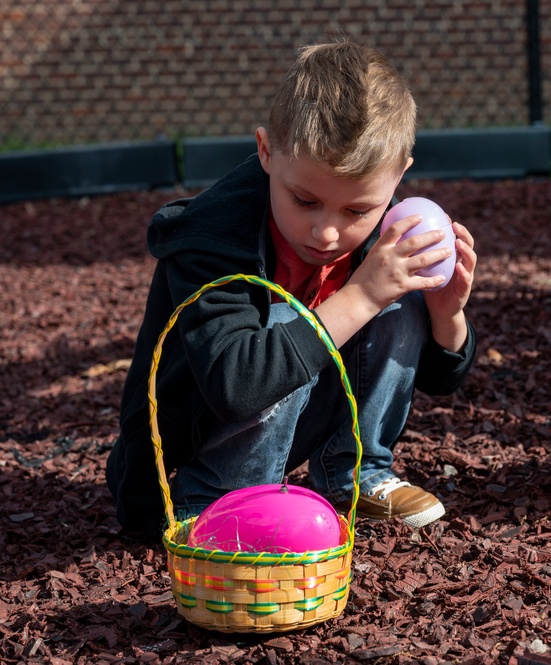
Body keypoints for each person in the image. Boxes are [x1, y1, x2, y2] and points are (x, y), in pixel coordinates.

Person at [105, 40, 478, 541]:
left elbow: (437, 380)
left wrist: (445, 314)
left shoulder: (383, 229)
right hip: (184, 469)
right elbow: (238, 386)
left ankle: (354, 476)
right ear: (265, 151)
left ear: (399, 177)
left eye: (355, 211)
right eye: (304, 201)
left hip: (285, 418)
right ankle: (218, 501)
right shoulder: (211, 239)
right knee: (291, 323)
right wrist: (363, 296)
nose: (326, 232)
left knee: (398, 295)